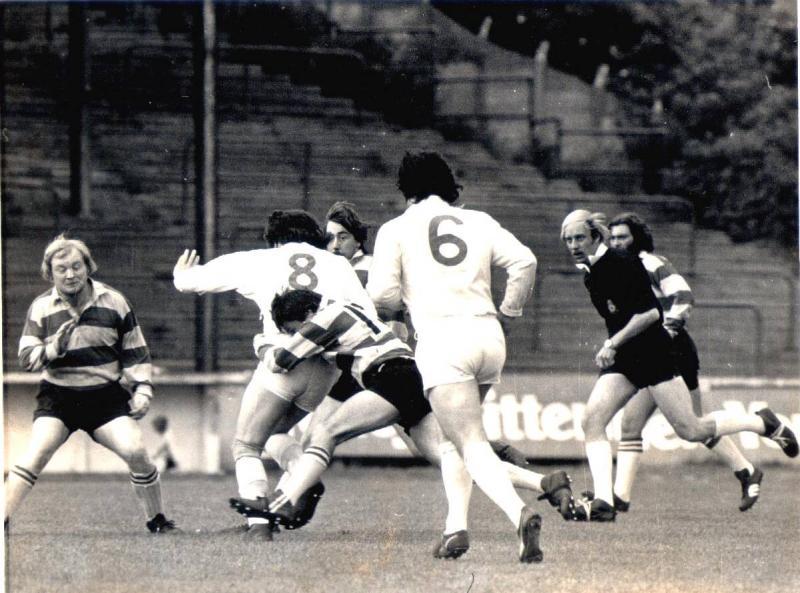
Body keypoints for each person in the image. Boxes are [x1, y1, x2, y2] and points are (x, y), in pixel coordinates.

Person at [229, 290, 574, 550]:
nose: (298, 332)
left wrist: (264, 343)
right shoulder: (352, 312)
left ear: (306, 312)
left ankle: (283, 500)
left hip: (390, 377)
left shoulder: (324, 317)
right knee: (451, 457)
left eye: (296, 327)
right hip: (410, 376)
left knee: (325, 431)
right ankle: (545, 483)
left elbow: (283, 360)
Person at [560, 209, 798, 522]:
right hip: (626, 359)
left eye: (579, 237)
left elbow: (650, 314)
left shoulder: (623, 262)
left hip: (654, 353)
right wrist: (615, 346)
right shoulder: (591, 271)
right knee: (593, 420)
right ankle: (605, 503)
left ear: (594, 237)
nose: (574, 244)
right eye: (568, 239)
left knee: (691, 429)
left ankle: (762, 423)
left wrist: (611, 343)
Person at [366, 152, 545, 563]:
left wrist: (400, 309)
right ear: (449, 184)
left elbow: (380, 296)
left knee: (469, 442)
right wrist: (511, 309)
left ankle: (519, 514)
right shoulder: (478, 221)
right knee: (454, 440)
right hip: (488, 333)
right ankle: (455, 529)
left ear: (405, 188)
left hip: (444, 337)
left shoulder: (395, 229)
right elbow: (525, 261)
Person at [173, 209, 375, 540]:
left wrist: (181, 274)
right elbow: (364, 314)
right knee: (275, 434)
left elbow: (192, 282)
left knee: (245, 445)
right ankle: (301, 477)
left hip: (284, 361)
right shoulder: (338, 264)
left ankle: (259, 525)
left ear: (275, 239)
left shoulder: (262, 260)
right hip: (325, 370)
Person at [6, 234, 176, 533]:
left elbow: (136, 351)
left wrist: (143, 389)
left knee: (135, 450)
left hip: (104, 398)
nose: (70, 274)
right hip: (58, 397)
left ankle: (157, 520)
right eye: (62, 269)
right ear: (50, 273)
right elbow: (27, 358)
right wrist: (52, 350)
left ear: (88, 267)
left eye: (76, 266)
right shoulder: (41, 308)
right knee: (38, 451)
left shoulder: (115, 301)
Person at [607, 212, 763, 512]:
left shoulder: (651, 263)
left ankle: (760, 425)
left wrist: (666, 329)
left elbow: (684, 296)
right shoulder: (620, 270)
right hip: (648, 353)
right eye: (612, 238)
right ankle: (619, 500)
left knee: (692, 427)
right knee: (632, 425)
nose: (617, 243)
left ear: (636, 238)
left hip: (672, 350)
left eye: (622, 237)